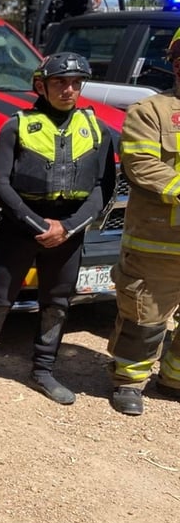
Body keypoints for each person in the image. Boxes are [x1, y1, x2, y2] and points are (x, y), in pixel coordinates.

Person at [0, 52, 115, 402]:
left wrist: (68, 227)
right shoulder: (17, 125)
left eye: (76, 83)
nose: (69, 90)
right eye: (60, 82)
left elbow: (103, 187)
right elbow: (1, 183)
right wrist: (37, 224)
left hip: (69, 230)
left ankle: (44, 370)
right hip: (21, 226)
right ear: (41, 85)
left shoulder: (95, 127)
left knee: (57, 302)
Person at [107, 27, 180, 416]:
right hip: (158, 243)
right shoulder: (150, 112)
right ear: (176, 63)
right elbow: (142, 165)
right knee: (144, 317)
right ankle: (129, 381)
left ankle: (174, 379)